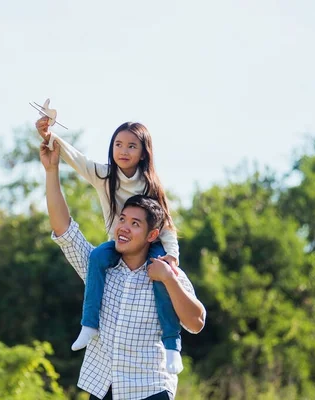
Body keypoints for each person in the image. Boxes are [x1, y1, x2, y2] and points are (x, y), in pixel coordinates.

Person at [39, 139, 206, 400]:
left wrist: (168, 280)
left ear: (152, 235)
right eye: (122, 220)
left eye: (135, 224)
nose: (124, 227)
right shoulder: (99, 267)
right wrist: (51, 171)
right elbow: (64, 230)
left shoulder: (166, 271)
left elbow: (196, 322)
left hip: (150, 390)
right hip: (103, 387)